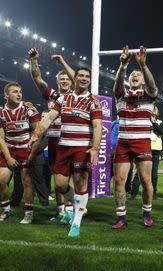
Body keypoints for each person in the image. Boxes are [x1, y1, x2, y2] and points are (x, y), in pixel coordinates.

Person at [29, 67, 103, 237]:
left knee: (80, 184)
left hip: (82, 148)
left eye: (87, 76)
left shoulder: (93, 101)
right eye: (81, 76)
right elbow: (48, 118)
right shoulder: (63, 99)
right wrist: (36, 134)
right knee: (61, 185)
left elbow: (97, 125)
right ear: (74, 78)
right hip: (63, 147)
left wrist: (95, 148)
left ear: (89, 80)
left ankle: (76, 222)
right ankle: (79, 205)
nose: (84, 78)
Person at [111, 45, 158, 229]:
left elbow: (153, 87)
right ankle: (121, 216)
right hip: (123, 142)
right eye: (132, 76)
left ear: (143, 80)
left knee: (146, 181)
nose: (134, 76)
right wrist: (123, 67)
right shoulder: (121, 95)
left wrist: (143, 66)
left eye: (137, 75)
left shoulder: (149, 95)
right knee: (120, 181)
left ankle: (147, 213)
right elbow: (117, 84)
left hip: (142, 142)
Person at [29, 48, 75, 221]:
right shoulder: (52, 95)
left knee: (68, 176)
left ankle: (71, 211)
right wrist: (33, 60)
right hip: (53, 139)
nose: (64, 81)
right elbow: (37, 79)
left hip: (70, 140)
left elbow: (76, 78)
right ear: (56, 81)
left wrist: (63, 62)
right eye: (61, 79)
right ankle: (60, 210)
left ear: (70, 82)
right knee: (57, 176)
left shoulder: (76, 95)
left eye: (66, 79)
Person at [0, 83, 41, 223]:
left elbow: (38, 131)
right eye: (15, 92)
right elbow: (0, 138)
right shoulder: (1, 112)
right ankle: (6, 210)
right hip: (9, 149)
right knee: (1, 181)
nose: (19, 94)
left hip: (25, 149)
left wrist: (33, 153)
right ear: (6, 95)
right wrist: (8, 157)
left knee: (27, 181)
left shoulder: (28, 108)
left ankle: (29, 213)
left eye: (20, 91)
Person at [150, 106, 163, 199]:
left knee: (154, 174)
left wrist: (153, 122)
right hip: (145, 149)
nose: (154, 110)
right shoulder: (144, 122)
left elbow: (161, 132)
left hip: (155, 151)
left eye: (156, 109)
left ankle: (154, 193)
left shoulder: (159, 122)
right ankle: (133, 194)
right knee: (139, 174)